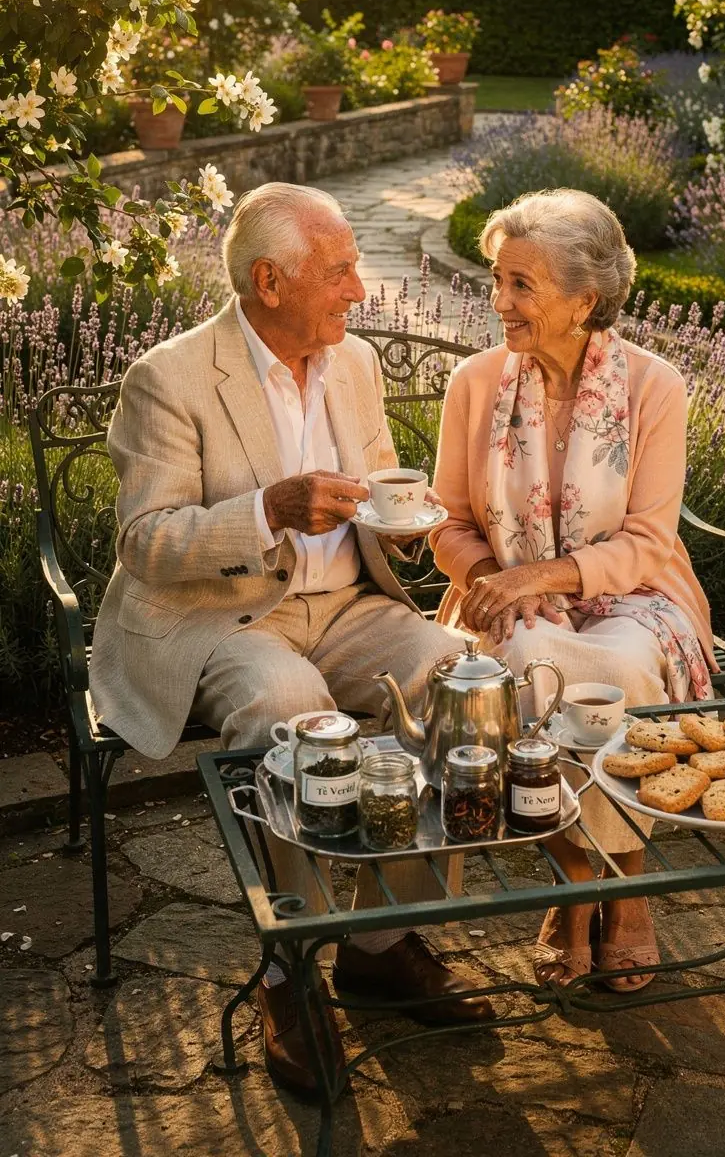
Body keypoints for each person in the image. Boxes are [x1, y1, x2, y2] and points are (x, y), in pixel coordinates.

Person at [90, 180, 491, 1100]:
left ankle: (383, 942)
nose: (360, 289)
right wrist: (266, 509)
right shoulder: (171, 376)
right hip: (225, 615)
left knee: (457, 676)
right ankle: (290, 969)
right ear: (269, 280)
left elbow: (380, 488)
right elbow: (144, 543)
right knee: (289, 709)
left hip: (349, 605)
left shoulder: (352, 364)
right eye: (341, 270)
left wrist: (406, 520)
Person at [430, 188, 716, 992]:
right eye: (498, 279)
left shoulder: (654, 387)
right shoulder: (476, 382)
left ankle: (621, 887)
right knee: (525, 657)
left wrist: (543, 575)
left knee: (617, 670)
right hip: (502, 596)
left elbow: (649, 541)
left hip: (634, 595)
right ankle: (576, 878)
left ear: (585, 301)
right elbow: (446, 522)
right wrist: (495, 578)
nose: (500, 302)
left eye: (522, 285)